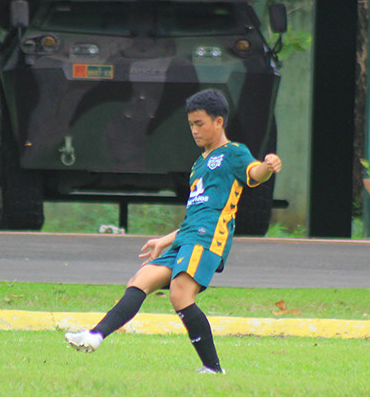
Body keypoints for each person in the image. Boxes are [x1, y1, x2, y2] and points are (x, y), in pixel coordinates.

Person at [65, 88, 282, 373]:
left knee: (180, 294)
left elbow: (255, 174)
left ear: (219, 122)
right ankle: (95, 336)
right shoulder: (198, 165)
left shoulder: (234, 153)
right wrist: (166, 240)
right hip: (187, 237)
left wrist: (268, 166)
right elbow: (196, 214)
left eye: (199, 123)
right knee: (140, 280)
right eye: (191, 124)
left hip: (208, 238)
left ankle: (213, 368)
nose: (194, 130)